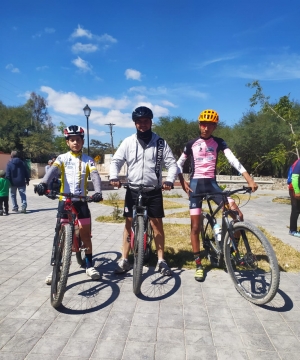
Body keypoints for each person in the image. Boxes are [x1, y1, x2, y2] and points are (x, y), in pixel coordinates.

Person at [177, 109, 258, 282]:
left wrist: (249, 179)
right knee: (195, 227)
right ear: (199, 125)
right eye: (203, 124)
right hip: (196, 187)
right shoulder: (191, 143)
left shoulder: (219, 142)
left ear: (215, 126)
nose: (206, 128)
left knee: (237, 214)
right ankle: (198, 264)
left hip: (213, 186)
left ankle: (229, 249)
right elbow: (178, 164)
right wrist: (182, 182)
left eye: (210, 125)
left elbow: (233, 160)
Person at [109, 106, 178, 276]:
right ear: (134, 123)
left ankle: (161, 260)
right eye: (139, 122)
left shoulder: (160, 143)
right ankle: (124, 259)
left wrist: (169, 180)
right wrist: (113, 176)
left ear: (151, 122)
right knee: (128, 222)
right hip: (132, 189)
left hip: (153, 189)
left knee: (157, 225)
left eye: (146, 121)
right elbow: (116, 161)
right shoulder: (128, 142)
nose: (142, 124)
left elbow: (172, 164)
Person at [35, 125, 103, 282]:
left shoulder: (88, 160)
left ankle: (89, 264)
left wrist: (98, 191)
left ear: (82, 142)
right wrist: (43, 183)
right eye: (72, 140)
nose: (75, 143)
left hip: (81, 201)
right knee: (59, 234)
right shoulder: (62, 158)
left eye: (78, 140)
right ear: (67, 142)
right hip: (64, 201)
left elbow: (95, 175)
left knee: (85, 234)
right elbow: (52, 171)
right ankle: (56, 268)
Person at [288, 159, 300, 237]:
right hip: (295, 189)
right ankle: (292, 230)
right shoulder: (299, 163)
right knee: (296, 210)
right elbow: (295, 177)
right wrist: (297, 191)